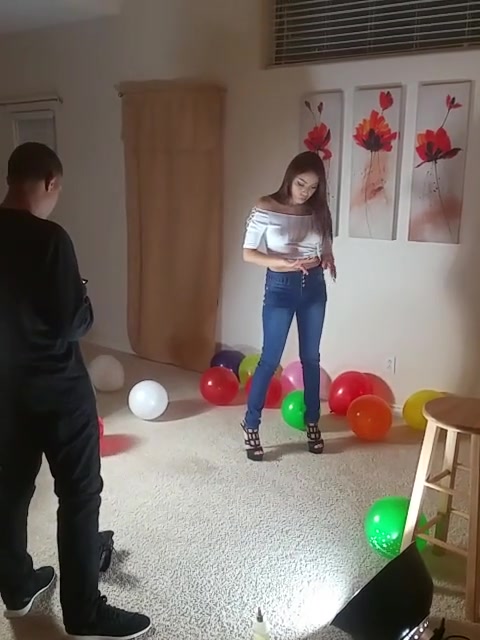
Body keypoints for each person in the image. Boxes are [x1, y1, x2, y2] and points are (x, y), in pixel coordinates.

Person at [0, 142, 151, 639]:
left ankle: (17, 587)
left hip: (5, 389)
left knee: (10, 490)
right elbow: (73, 322)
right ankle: (84, 614)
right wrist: (83, 297)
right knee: (80, 495)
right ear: (49, 182)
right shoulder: (50, 238)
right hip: (58, 390)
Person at [241, 151, 336, 461]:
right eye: (300, 184)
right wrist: (281, 262)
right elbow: (248, 253)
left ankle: (312, 421)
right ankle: (251, 424)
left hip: (314, 286)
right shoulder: (266, 206)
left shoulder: (318, 210)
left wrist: (328, 256)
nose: (305, 192)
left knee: (311, 357)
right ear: (289, 178)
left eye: (313, 187)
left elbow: (324, 241)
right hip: (280, 286)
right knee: (270, 359)